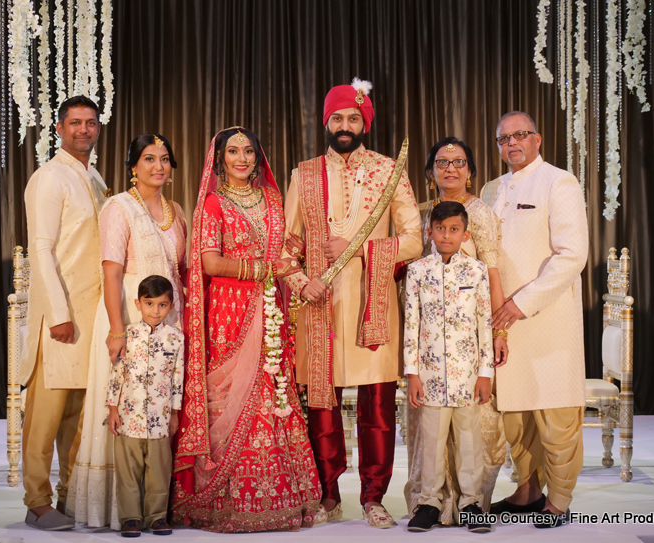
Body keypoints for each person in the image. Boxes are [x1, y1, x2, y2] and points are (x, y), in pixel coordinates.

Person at [282, 79, 422, 528]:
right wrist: (301, 282)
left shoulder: (389, 171)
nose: (345, 126)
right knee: (320, 408)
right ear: (326, 122)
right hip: (319, 306)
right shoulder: (303, 174)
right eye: (337, 118)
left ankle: (373, 497)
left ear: (365, 123)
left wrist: (360, 248)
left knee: (377, 409)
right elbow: (286, 245)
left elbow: (416, 241)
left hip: (372, 305)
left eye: (354, 119)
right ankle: (327, 495)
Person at [171, 127, 322, 533]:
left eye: (249, 151)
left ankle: (276, 497)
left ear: (258, 157)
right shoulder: (212, 205)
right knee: (227, 395)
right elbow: (210, 264)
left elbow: (288, 253)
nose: (242, 158)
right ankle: (219, 500)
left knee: (272, 392)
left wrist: (300, 279)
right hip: (227, 313)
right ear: (219, 158)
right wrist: (259, 269)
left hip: (269, 309)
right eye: (233, 151)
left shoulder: (274, 200)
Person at [68, 134, 188, 530]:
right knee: (123, 404)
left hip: (168, 320)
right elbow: (112, 270)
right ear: (133, 167)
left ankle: (157, 509)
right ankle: (120, 509)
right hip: (128, 314)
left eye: (165, 159)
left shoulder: (176, 211)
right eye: (149, 159)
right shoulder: (119, 207)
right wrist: (118, 329)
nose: (159, 166)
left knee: (159, 411)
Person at [481, 111, 588, 528]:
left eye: (520, 135)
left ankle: (559, 501)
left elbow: (571, 255)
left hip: (546, 319)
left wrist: (522, 303)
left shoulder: (559, 181)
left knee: (556, 415)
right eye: (503, 138)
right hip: (501, 323)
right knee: (516, 415)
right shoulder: (491, 189)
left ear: (537, 139)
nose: (511, 144)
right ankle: (527, 490)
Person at [404, 137, 509, 524]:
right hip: (430, 366)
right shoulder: (421, 224)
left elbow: (492, 278)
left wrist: (500, 334)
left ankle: (469, 503)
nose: (451, 168)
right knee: (430, 439)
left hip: (468, 364)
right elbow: (411, 322)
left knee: (469, 436)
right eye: (442, 161)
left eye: (459, 161)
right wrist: (411, 369)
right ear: (431, 170)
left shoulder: (479, 220)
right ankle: (429, 502)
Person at [21, 95, 107, 530]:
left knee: (79, 409)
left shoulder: (94, 178)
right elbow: (40, 248)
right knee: (46, 411)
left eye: (90, 123)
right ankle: (37, 500)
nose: (83, 131)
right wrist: (57, 312)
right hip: (62, 313)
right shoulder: (49, 177)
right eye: (75, 123)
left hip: (93, 314)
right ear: (59, 128)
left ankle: (72, 495)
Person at [106, 275, 185, 538]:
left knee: (159, 470)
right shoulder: (127, 334)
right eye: (149, 304)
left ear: (171, 305)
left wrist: (174, 413)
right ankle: (130, 518)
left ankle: (157, 517)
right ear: (138, 304)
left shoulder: (176, 338)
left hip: (160, 418)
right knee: (128, 470)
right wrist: (113, 409)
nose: (155, 311)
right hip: (129, 416)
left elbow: (177, 377)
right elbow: (116, 374)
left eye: (162, 305)